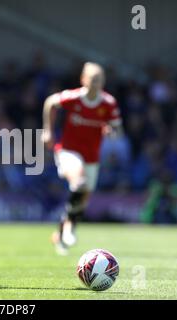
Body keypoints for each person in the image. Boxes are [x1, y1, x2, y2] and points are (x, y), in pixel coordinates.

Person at [42, 62, 123, 255]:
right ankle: (69, 229)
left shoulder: (108, 103)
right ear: (83, 80)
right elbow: (50, 102)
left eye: (99, 80)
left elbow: (118, 129)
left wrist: (112, 132)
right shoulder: (74, 97)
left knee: (83, 197)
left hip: (92, 157)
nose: (96, 83)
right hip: (68, 151)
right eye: (93, 79)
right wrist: (48, 131)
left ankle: (61, 233)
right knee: (79, 182)